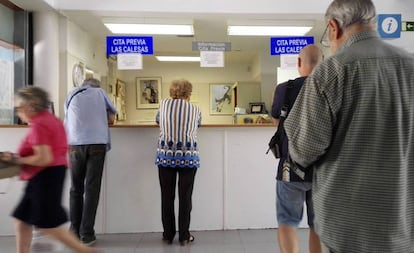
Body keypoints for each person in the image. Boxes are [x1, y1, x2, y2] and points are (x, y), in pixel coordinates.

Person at [284, 0, 414, 252]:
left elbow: (303, 151)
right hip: (404, 221)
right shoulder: (410, 65)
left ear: (333, 27)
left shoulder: (330, 72)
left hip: (350, 225)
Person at [9, 86, 98, 253]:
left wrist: (17, 160)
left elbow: (44, 158)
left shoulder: (40, 124)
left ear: (31, 105)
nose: (18, 112)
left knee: (47, 225)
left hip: (44, 176)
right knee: (22, 220)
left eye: (19, 108)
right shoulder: (51, 119)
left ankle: (86, 251)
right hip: (49, 174)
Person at [271, 45, 323, 253]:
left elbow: (278, 121)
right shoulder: (332, 87)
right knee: (318, 225)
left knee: (287, 221)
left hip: (289, 167)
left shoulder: (284, 88)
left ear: (299, 63)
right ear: (323, 62)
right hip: (322, 169)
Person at [64, 78, 117, 246]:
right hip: (96, 144)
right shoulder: (100, 93)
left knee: (75, 189)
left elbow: (67, 117)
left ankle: (73, 231)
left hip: (74, 144)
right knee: (92, 189)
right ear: (97, 86)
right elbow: (112, 118)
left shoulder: (71, 94)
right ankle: (87, 234)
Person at [155, 79, 201, 246]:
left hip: (165, 156)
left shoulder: (163, 104)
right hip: (188, 157)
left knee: (167, 197)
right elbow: (198, 125)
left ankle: (168, 235)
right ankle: (184, 236)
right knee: (185, 197)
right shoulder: (195, 109)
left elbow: (158, 121)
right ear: (188, 92)